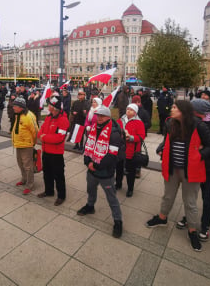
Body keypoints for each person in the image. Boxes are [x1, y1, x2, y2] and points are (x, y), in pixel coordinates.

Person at [146, 100, 210, 252]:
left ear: (183, 111)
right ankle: (162, 218)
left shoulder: (199, 126)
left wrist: (199, 155)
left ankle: (192, 231)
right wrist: (161, 148)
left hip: (190, 171)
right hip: (172, 169)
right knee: (168, 196)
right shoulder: (171, 124)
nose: (172, 109)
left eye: (175, 107)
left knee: (190, 202)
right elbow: (166, 141)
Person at [176, 99, 210, 241]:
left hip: (207, 167)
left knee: (206, 196)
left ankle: (205, 225)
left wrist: (202, 151)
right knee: (191, 195)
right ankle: (189, 218)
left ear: (196, 111)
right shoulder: (191, 123)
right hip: (193, 165)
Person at [77, 105, 124, 238]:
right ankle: (90, 206)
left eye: (102, 116)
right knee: (91, 189)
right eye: (98, 115)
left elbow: (112, 155)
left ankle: (118, 221)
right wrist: (88, 162)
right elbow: (88, 145)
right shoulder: (93, 128)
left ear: (108, 117)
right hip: (91, 169)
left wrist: (96, 166)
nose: (99, 118)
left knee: (111, 197)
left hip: (105, 172)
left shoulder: (114, 132)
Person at [37, 95, 70, 206]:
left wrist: (44, 137)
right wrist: (42, 135)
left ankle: (61, 195)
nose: (48, 106)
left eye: (49, 105)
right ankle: (49, 191)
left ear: (54, 108)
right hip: (46, 151)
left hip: (56, 154)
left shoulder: (63, 120)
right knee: (47, 173)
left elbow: (60, 138)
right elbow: (40, 131)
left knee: (59, 175)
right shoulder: (48, 117)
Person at [116, 104, 146, 197]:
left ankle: (130, 188)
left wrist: (131, 137)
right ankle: (118, 184)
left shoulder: (139, 122)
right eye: (127, 109)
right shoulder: (120, 120)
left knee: (130, 171)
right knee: (119, 168)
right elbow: (115, 131)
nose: (128, 111)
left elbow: (141, 136)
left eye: (131, 110)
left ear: (135, 112)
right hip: (120, 149)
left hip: (132, 150)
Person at [11, 97, 39, 195]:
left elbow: (35, 131)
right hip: (18, 143)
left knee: (28, 166)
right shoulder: (18, 114)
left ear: (21, 107)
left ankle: (29, 185)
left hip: (27, 145)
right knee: (20, 163)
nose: (13, 107)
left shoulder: (29, 116)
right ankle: (24, 179)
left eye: (15, 106)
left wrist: (33, 143)